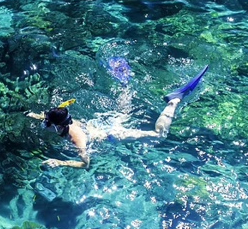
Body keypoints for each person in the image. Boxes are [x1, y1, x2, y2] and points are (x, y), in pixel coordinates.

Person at [28, 65, 208, 169]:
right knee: (123, 111)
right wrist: (32, 115)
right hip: (103, 122)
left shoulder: (77, 139)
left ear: (57, 125)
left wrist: (59, 162)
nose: (44, 122)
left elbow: (86, 164)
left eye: (47, 122)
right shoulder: (61, 117)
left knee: (158, 135)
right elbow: (46, 116)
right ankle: (124, 84)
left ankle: (173, 100)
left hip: (113, 134)